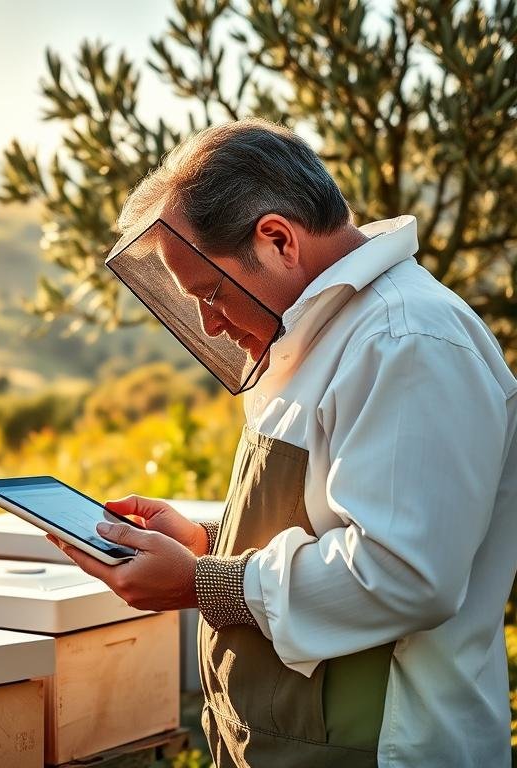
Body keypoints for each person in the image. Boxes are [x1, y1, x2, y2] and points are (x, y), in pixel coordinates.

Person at [50, 119, 517, 767]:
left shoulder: (407, 340)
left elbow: (406, 575)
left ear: (276, 239)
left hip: (384, 749)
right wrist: (208, 547)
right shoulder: (320, 334)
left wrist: (203, 585)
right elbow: (325, 524)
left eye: (210, 293)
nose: (210, 321)